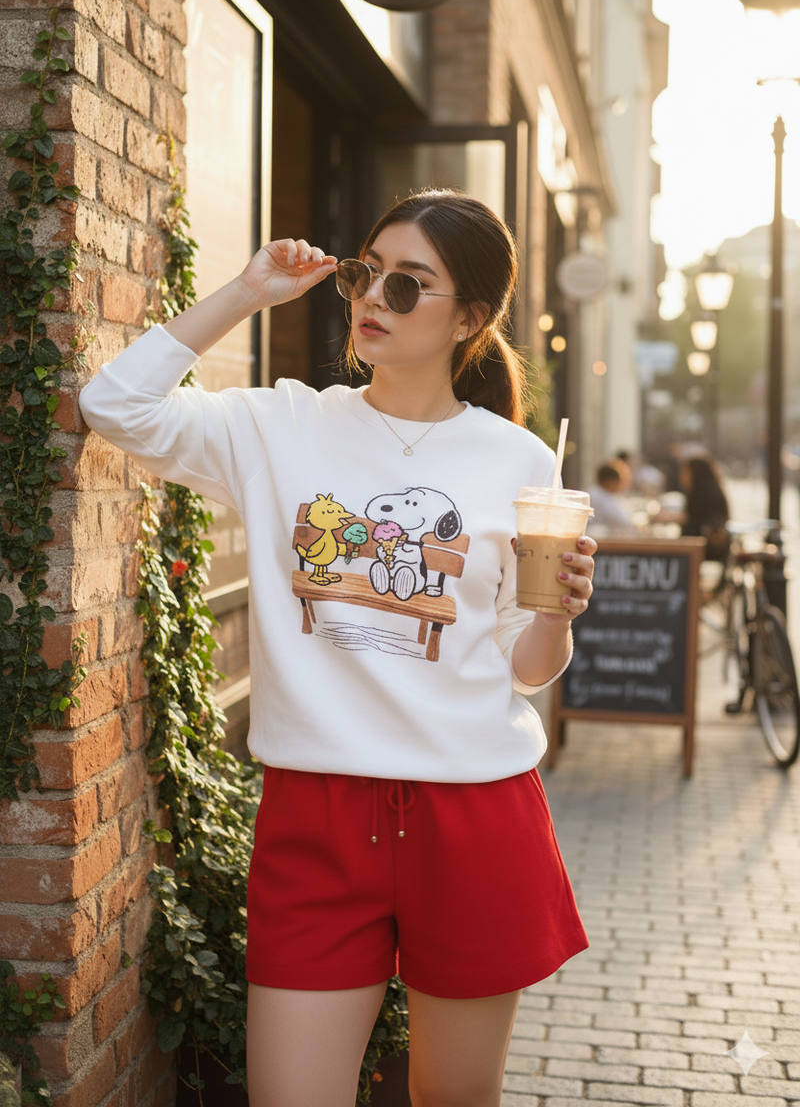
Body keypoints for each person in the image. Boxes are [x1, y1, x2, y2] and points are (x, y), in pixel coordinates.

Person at [79, 190, 596, 1107]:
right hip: (317, 813)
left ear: (470, 318)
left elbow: (525, 668)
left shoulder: (519, 461)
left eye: (410, 285)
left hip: (473, 813)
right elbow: (115, 404)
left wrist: (557, 611)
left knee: (454, 1098)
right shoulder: (282, 426)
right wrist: (246, 291)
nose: (375, 299)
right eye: (368, 273)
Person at [679, 455, 730, 564]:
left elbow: (690, 518)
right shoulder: (712, 489)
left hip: (703, 546)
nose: (682, 477)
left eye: (686, 473)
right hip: (714, 548)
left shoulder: (703, 492)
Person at [586, 462, 637, 536]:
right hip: (600, 540)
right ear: (610, 481)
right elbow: (623, 521)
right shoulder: (599, 496)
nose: (622, 486)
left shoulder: (602, 494)